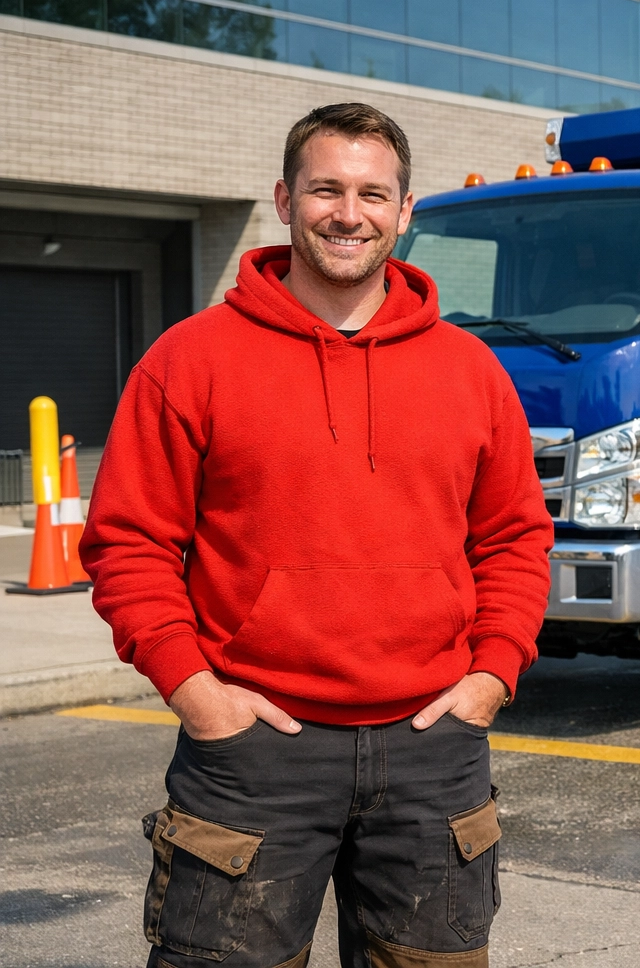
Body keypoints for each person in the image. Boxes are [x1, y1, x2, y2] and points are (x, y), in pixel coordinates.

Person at [80, 102, 553, 968]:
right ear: (284, 200)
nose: (349, 213)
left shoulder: (471, 371)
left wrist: (491, 677)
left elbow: (515, 540)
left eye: (373, 194)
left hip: (433, 751)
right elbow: (129, 544)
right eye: (325, 189)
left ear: (404, 213)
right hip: (253, 753)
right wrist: (197, 693)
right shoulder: (190, 359)